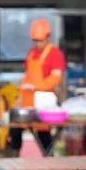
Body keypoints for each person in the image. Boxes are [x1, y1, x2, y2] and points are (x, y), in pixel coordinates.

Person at [11, 18, 65, 154]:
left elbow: (56, 78)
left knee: (43, 135)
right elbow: (27, 75)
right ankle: (13, 159)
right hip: (27, 101)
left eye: (40, 40)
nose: (38, 43)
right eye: (35, 40)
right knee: (15, 129)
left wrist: (36, 86)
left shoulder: (55, 54)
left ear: (48, 37)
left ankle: (48, 161)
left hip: (43, 102)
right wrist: (20, 97)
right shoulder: (32, 53)